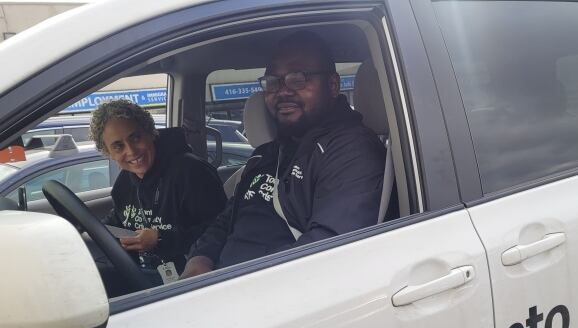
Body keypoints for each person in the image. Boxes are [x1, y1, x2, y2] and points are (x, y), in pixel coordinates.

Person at [180, 30, 386, 278]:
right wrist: (199, 258)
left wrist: (230, 286)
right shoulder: (266, 155)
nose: (282, 91)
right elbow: (227, 220)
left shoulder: (352, 151)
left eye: (298, 79)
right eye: (273, 82)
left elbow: (326, 254)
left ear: (332, 85)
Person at [90, 99, 226, 276]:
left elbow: (222, 228)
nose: (131, 151)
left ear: (150, 133)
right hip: (145, 273)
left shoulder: (192, 172)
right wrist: (89, 228)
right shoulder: (124, 182)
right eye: (118, 146)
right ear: (108, 153)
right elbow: (121, 217)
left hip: (191, 276)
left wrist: (161, 238)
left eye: (135, 137)